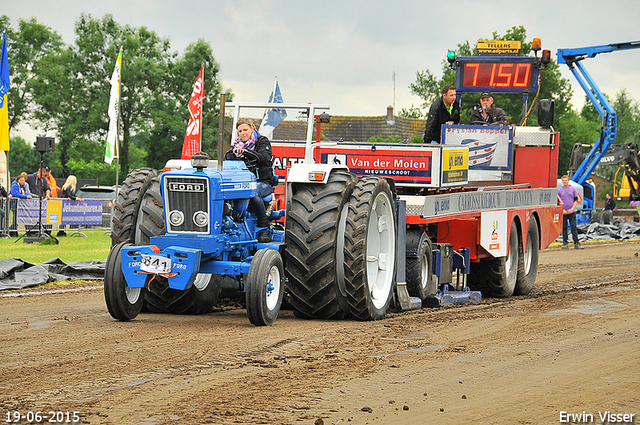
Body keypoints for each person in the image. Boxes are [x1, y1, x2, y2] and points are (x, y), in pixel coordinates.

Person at [225, 118, 276, 242]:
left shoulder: (262, 141)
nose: (243, 133)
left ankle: (264, 226)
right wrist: (234, 153)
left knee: (253, 192)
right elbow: (228, 157)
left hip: (262, 182)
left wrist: (247, 153)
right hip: (243, 182)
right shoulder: (236, 145)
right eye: (240, 131)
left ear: (252, 129)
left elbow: (264, 157)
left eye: (245, 130)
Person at [557, 175, 583, 249]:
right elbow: (558, 201)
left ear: (568, 181)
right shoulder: (559, 190)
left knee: (573, 227)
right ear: (562, 181)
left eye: (566, 180)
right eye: (564, 180)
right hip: (564, 212)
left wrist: (572, 209)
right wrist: (562, 210)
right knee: (564, 228)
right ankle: (565, 243)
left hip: (572, 212)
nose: (565, 182)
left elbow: (576, 200)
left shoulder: (573, 189)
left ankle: (576, 243)